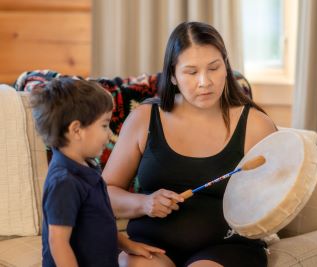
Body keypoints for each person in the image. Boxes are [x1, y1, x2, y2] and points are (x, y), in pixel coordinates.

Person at [103, 21, 276, 267]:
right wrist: (144, 203)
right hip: (151, 246)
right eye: (191, 72)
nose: (205, 81)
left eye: (214, 68)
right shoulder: (144, 118)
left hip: (227, 247)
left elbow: (278, 197)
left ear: (226, 67)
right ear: (172, 75)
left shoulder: (256, 125)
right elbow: (104, 193)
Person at [30, 77, 165, 267]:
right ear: (76, 130)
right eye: (104, 125)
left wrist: (129, 246)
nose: (109, 134)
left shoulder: (88, 168)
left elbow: (100, 222)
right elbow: (58, 243)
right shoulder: (63, 181)